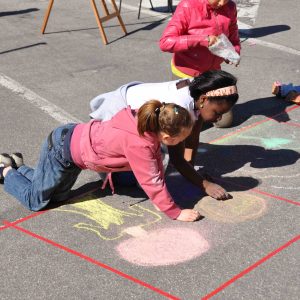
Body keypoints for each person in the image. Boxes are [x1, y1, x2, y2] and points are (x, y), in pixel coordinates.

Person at [0, 101, 201, 222]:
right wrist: (174, 212)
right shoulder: (139, 143)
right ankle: (6, 172)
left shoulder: (148, 121)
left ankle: (18, 166)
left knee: (59, 197)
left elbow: (155, 165)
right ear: (168, 138)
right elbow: (151, 180)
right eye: (183, 138)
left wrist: (161, 202)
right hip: (61, 151)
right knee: (36, 202)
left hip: (74, 152)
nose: (184, 140)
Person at [90, 70, 239, 200]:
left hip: (134, 108)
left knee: (155, 151)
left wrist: (191, 173)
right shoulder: (181, 110)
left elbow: (192, 140)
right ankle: (108, 169)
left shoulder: (199, 93)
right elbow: (177, 159)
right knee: (148, 158)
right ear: (204, 100)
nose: (218, 119)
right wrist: (204, 184)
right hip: (116, 113)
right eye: (217, 113)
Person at [159, 0, 241, 127]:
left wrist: (233, 52)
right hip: (186, 73)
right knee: (177, 121)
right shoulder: (187, 5)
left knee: (224, 121)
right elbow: (165, 42)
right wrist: (203, 39)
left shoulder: (230, 7)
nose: (222, 3)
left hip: (211, 75)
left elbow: (233, 33)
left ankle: (198, 113)